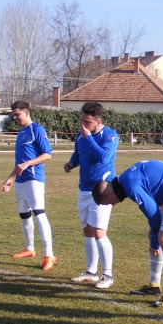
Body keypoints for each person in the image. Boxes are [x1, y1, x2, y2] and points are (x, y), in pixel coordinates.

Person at [92, 160, 163, 308]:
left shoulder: (131, 185)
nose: (113, 205)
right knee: (153, 235)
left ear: (110, 193)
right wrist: (153, 240)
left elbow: (154, 217)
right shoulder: (124, 180)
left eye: (109, 202)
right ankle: (154, 286)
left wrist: (155, 244)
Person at [64, 102, 119, 289]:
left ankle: (108, 275)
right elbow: (78, 154)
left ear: (97, 121)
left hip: (102, 190)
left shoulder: (110, 135)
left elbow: (103, 157)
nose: (83, 125)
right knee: (88, 230)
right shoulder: (82, 135)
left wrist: (88, 138)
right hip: (84, 188)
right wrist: (71, 164)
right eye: (81, 120)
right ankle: (91, 272)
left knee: (99, 231)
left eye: (87, 122)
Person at [1, 100, 57, 271]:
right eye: (13, 114)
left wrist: (28, 164)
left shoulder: (36, 130)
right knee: (24, 216)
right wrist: (10, 178)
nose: (14, 117)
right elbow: (20, 162)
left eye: (17, 114)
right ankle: (30, 248)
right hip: (20, 181)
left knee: (39, 214)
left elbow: (47, 154)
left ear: (26, 113)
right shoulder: (21, 133)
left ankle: (49, 254)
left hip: (34, 179)